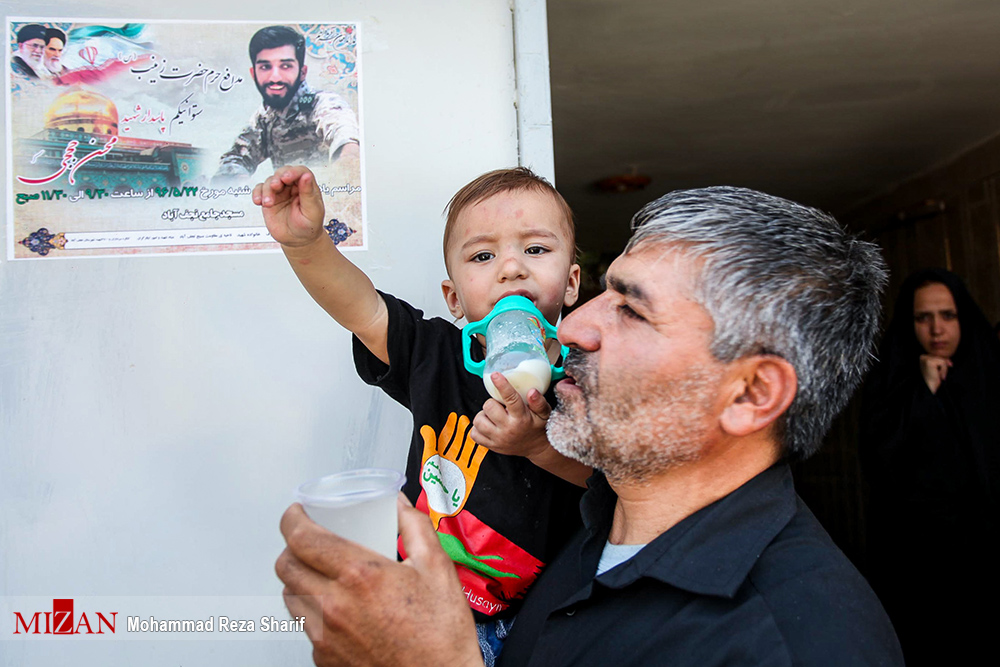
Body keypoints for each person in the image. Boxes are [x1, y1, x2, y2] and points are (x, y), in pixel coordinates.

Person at [275, 186, 905, 666]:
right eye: (604, 293)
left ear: (750, 393)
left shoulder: (796, 644)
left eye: (631, 309)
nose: (572, 330)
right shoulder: (598, 533)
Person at [255, 165, 590, 664]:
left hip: (535, 622)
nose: (512, 268)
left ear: (571, 284)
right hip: (417, 596)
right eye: (483, 255)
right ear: (455, 299)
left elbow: (615, 485)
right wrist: (307, 246)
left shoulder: (589, 381)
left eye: (536, 250)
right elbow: (361, 310)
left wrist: (536, 446)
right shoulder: (435, 355)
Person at [860, 268, 1000, 667]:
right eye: (923, 318)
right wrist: (924, 393)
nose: (937, 329)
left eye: (947, 316)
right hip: (916, 563)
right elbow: (880, 461)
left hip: (985, 556)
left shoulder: (988, 373)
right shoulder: (892, 381)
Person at [215, 26, 360, 180]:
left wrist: (347, 163)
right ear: (253, 73)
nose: (275, 77)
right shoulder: (264, 117)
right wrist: (236, 184)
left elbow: (344, 135)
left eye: (286, 66)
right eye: (265, 67)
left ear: (302, 72)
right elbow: (236, 157)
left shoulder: (322, 103)